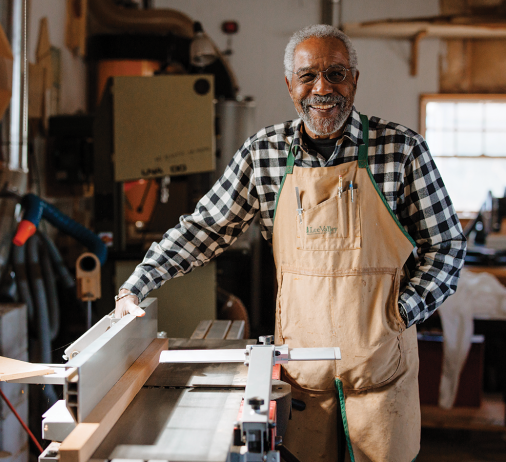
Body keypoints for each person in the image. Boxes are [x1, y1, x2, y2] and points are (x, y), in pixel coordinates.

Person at [115, 24, 466, 461]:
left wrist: (399, 312)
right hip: (302, 382)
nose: (323, 88)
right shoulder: (263, 154)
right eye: (308, 76)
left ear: (354, 80)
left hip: (383, 381)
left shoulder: (402, 150)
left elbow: (448, 247)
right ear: (290, 85)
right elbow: (203, 228)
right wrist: (138, 284)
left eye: (336, 74)